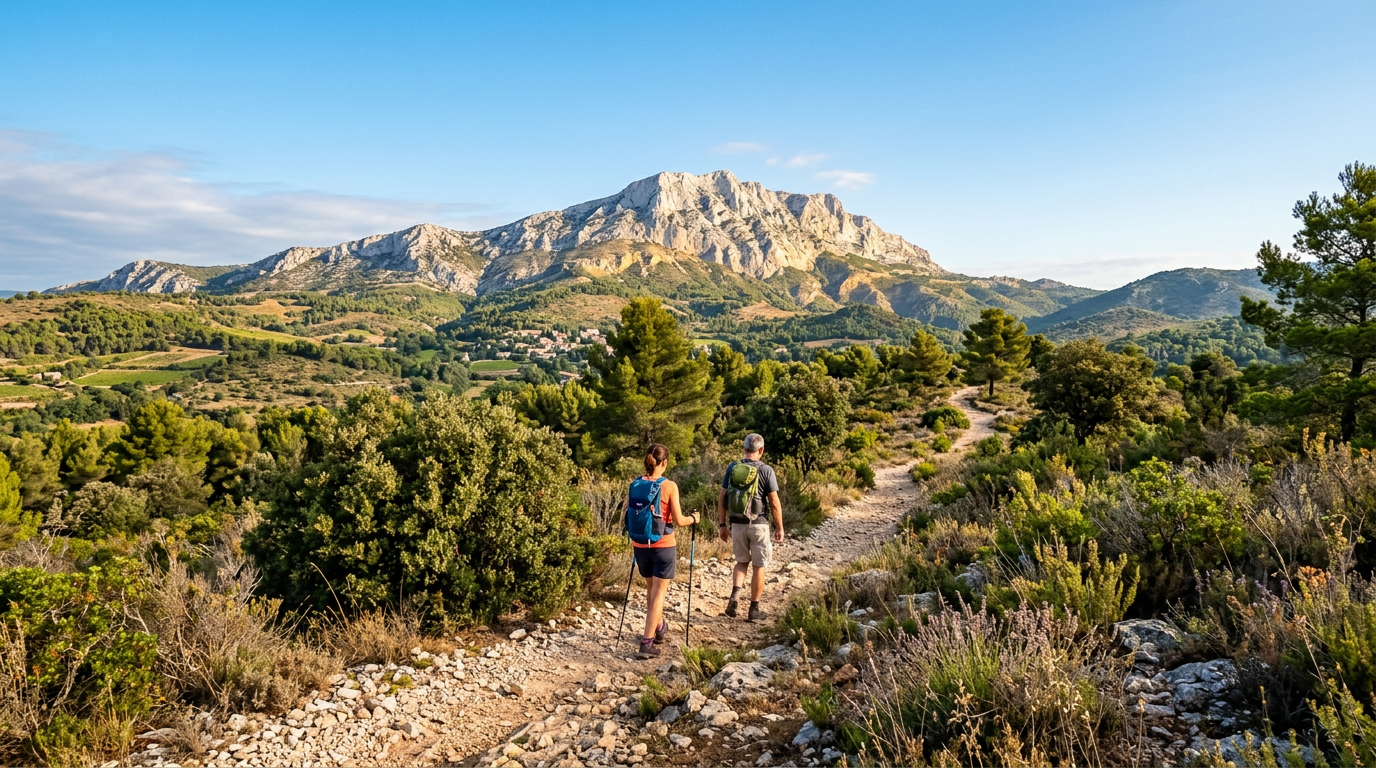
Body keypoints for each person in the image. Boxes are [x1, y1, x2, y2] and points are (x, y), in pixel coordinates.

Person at [630, 443, 700, 659]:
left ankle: (659, 628)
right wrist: (694, 519)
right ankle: (646, 642)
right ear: (664, 463)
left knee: (651, 589)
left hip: (640, 544)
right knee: (659, 594)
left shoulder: (635, 483)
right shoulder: (669, 486)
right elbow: (679, 520)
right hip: (663, 544)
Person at [718, 433, 783, 621]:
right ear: (761, 450)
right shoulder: (766, 470)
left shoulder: (732, 467)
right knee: (759, 566)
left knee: (741, 562)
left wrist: (723, 524)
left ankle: (735, 597)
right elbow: (774, 502)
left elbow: (722, 497)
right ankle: (754, 610)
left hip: (736, 524)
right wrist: (780, 527)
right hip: (759, 525)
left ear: (744, 448)